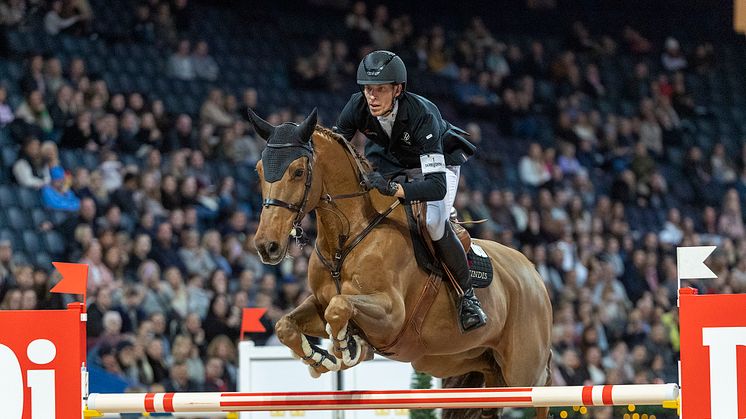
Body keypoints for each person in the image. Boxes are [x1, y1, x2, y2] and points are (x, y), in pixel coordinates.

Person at [333, 50, 486, 332]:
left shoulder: (421, 114)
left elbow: (436, 186)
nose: (372, 97)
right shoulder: (357, 106)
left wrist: (393, 189)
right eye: (368, 89)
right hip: (391, 163)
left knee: (433, 221)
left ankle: (468, 298)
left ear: (398, 89)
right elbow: (335, 148)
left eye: (380, 90)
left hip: (437, 168)